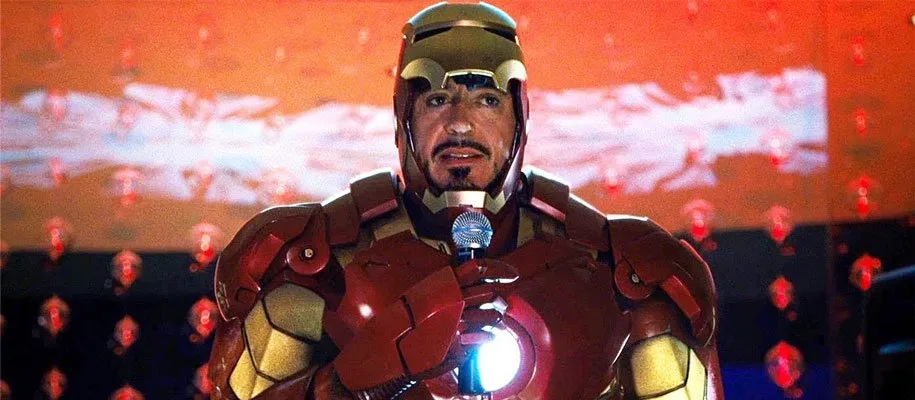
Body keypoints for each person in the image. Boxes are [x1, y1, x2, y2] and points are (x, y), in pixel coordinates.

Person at [208, 2, 723, 399]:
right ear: (404, 118)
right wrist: (349, 382)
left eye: (487, 100)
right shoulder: (311, 261)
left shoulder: (625, 270)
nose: (459, 123)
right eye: (437, 100)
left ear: (519, 117)